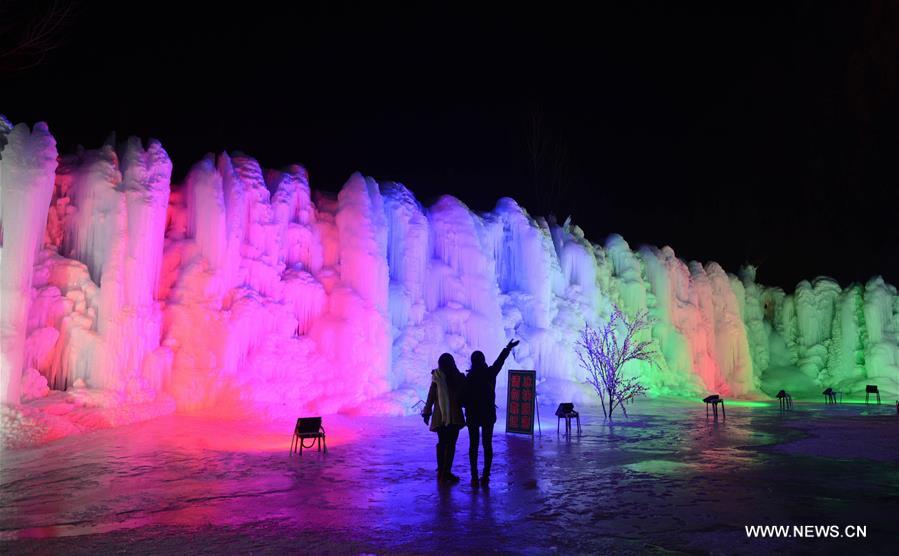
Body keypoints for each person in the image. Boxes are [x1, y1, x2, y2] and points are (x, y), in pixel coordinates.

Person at [464, 339, 519, 488]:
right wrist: (507, 348)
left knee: (473, 446)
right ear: (483, 360)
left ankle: (474, 476)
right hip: (488, 415)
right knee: (487, 445)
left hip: (473, 416)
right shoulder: (490, 373)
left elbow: (464, 397)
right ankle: (486, 476)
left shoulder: (469, 377)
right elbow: (499, 361)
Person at [422, 353, 467, 484]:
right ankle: (446, 471)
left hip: (440, 416)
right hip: (454, 417)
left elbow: (431, 396)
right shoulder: (458, 377)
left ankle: (441, 470)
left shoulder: (437, 377)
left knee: (442, 442)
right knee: (451, 444)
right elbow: (465, 395)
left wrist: (427, 412)